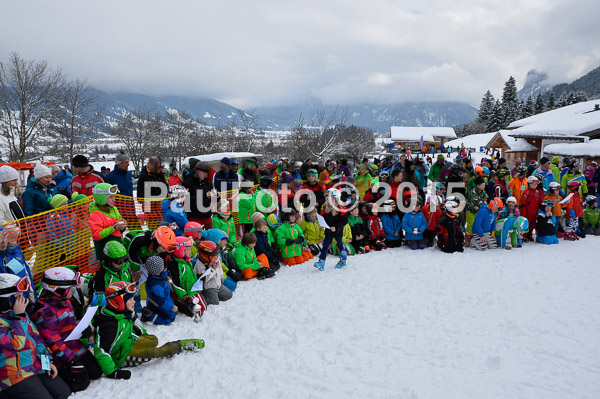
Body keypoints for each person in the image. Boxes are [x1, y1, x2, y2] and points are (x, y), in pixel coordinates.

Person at [93, 281, 203, 380]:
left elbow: (126, 329)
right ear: (118, 302)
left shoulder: (121, 314)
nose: (134, 301)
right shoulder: (108, 326)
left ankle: (149, 344)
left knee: (153, 339)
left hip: (127, 343)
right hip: (121, 357)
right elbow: (100, 350)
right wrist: (113, 372)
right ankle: (179, 346)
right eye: (130, 299)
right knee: (153, 352)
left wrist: (140, 332)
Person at [0, 273, 72, 399]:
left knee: (63, 393)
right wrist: (19, 317)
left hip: (32, 366)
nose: (23, 300)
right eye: (18, 296)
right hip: (12, 375)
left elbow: (37, 339)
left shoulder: (19, 314)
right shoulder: (18, 315)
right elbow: (16, 344)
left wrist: (46, 363)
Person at [30, 267, 102, 393]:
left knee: (96, 372)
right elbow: (54, 343)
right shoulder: (45, 313)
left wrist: (82, 328)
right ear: (60, 290)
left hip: (73, 345)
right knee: (81, 383)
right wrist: (72, 360)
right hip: (58, 355)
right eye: (71, 288)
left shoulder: (66, 302)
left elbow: (70, 323)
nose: (73, 290)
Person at [164, 237, 208, 319]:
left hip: (193, 290)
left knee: (204, 307)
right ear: (180, 251)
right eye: (188, 250)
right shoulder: (175, 265)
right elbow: (175, 284)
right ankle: (179, 303)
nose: (191, 252)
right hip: (186, 294)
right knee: (199, 311)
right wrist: (184, 297)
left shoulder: (186, 261)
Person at [89, 183, 126, 262]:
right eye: (110, 197)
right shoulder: (96, 214)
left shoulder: (114, 209)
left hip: (117, 250)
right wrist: (114, 227)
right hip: (105, 253)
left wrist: (123, 226)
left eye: (113, 197)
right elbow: (97, 235)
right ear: (101, 198)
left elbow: (118, 230)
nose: (114, 200)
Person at [313, 189, 348, 270]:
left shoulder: (340, 208)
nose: (328, 201)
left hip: (338, 231)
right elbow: (322, 218)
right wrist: (320, 223)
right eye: (326, 199)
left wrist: (336, 227)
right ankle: (321, 262)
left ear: (335, 198)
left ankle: (343, 259)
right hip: (328, 230)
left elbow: (345, 220)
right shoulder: (325, 208)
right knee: (325, 246)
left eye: (329, 199)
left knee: (339, 245)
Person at [193, 240, 233, 306]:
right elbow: (204, 279)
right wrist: (213, 269)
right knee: (215, 303)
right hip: (209, 288)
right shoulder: (199, 265)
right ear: (205, 256)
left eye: (216, 255)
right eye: (213, 256)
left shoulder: (216, 260)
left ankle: (214, 296)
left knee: (229, 295)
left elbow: (219, 269)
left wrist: (221, 277)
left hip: (217, 285)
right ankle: (202, 297)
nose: (216, 257)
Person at [141, 256, 177, 325]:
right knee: (169, 318)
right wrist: (171, 307)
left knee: (171, 313)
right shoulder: (156, 286)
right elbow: (160, 301)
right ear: (158, 269)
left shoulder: (157, 276)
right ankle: (149, 316)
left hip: (164, 299)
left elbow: (162, 275)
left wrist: (167, 278)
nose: (164, 266)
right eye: (162, 265)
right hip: (158, 304)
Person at [183, 161, 214, 229]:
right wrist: (204, 195)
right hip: (195, 218)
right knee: (197, 239)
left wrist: (215, 197)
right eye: (203, 172)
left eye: (206, 173)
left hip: (207, 216)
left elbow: (208, 198)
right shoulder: (188, 182)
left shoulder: (205, 181)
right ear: (196, 170)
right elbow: (186, 201)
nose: (205, 175)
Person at [520, 176, 544, 241]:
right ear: (529, 184)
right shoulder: (526, 192)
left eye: (536, 184)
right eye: (533, 183)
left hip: (535, 211)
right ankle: (524, 236)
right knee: (526, 224)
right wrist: (523, 213)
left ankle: (529, 235)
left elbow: (539, 201)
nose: (534, 185)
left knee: (532, 224)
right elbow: (523, 203)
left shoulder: (537, 192)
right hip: (527, 212)